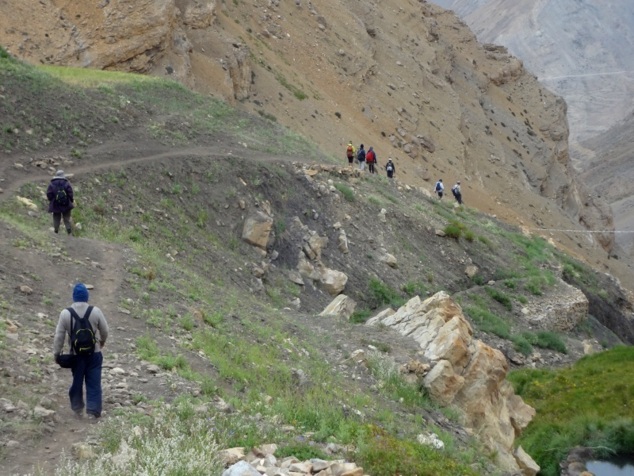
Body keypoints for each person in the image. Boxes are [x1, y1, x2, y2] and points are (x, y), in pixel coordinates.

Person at [53, 283, 109, 419]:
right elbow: (105, 330)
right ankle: (93, 411)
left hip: (76, 355)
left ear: (74, 296)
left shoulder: (65, 313)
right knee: (94, 382)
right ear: (86, 296)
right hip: (94, 354)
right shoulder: (95, 311)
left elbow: (59, 336)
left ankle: (77, 408)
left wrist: (57, 353)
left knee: (77, 381)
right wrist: (102, 341)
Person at [47, 170, 74, 235]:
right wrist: (71, 200)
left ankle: (56, 231)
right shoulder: (66, 183)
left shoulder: (52, 183)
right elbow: (70, 193)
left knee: (56, 218)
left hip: (55, 204)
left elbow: (49, 194)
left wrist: (52, 200)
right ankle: (69, 232)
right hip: (66, 204)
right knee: (66, 218)